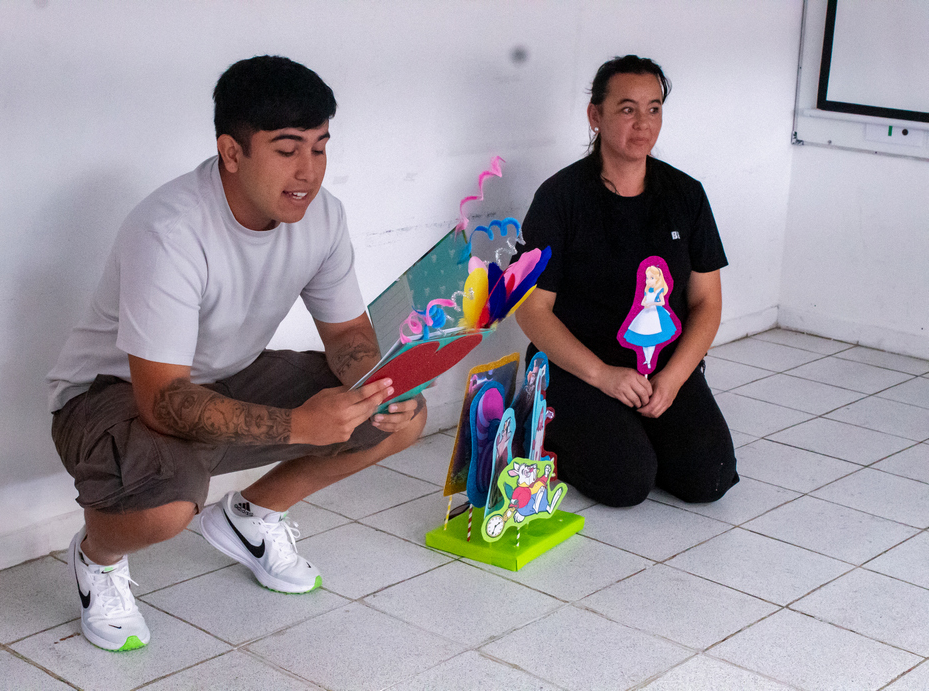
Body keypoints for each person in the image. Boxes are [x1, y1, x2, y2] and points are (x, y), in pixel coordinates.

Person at [47, 56, 425, 652]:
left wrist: (377, 382)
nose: (308, 172)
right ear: (231, 152)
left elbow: (349, 335)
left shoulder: (323, 215)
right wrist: (301, 424)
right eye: (288, 149)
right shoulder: (170, 230)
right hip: (111, 396)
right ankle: (98, 557)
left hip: (228, 376)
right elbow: (162, 400)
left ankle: (250, 517)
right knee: (169, 506)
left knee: (400, 415)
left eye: (321, 147)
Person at [513, 55, 738, 508]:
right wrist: (603, 375)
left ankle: (633, 429)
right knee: (626, 482)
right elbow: (532, 310)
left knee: (708, 478)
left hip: (660, 369)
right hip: (579, 369)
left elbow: (707, 303)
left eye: (654, 108)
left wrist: (673, 379)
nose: (643, 124)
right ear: (595, 116)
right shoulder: (560, 198)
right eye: (627, 109)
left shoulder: (686, 195)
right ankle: (539, 422)